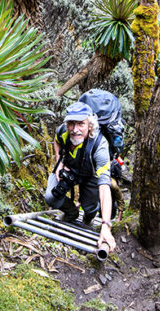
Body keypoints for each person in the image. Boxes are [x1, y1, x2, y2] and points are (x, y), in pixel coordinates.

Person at [44, 101, 117, 253]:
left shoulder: (100, 146)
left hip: (91, 175)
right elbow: (57, 140)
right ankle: (72, 212)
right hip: (69, 168)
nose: (75, 130)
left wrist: (106, 225)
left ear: (90, 125)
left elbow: (104, 186)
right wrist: (59, 162)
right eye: (71, 124)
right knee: (51, 197)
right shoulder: (63, 131)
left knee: (90, 207)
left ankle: (88, 219)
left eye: (81, 124)